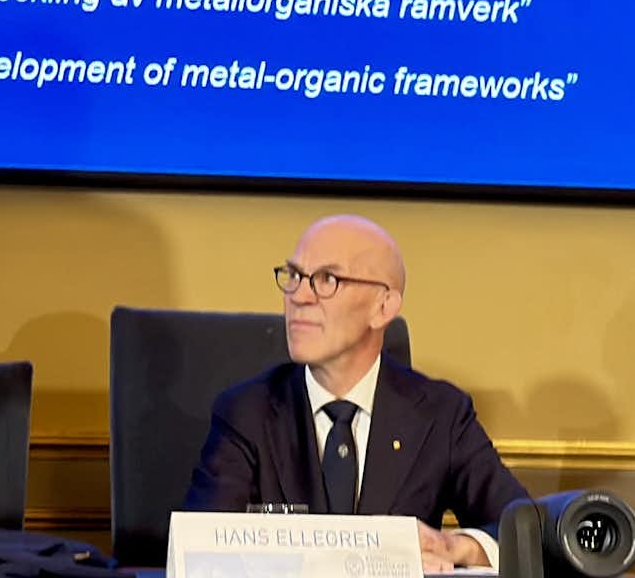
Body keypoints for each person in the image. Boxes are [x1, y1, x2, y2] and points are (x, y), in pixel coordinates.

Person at [183, 216, 527, 571]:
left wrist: (459, 547)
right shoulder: (246, 413)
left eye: (327, 279)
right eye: (295, 276)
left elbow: (524, 531)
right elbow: (201, 553)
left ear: (384, 307)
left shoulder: (440, 414)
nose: (299, 296)